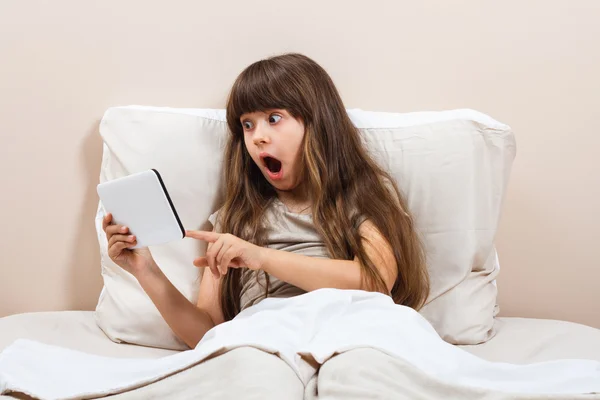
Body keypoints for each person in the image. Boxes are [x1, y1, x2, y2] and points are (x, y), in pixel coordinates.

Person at [102, 52, 430, 349]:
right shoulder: (237, 219)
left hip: (355, 331)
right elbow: (207, 335)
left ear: (318, 122)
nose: (257, 136)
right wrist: (146, 270)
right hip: (265, 337)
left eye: (274, 118)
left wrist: (261, 257)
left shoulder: (360, 195)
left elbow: (374, 281)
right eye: (247, 124)